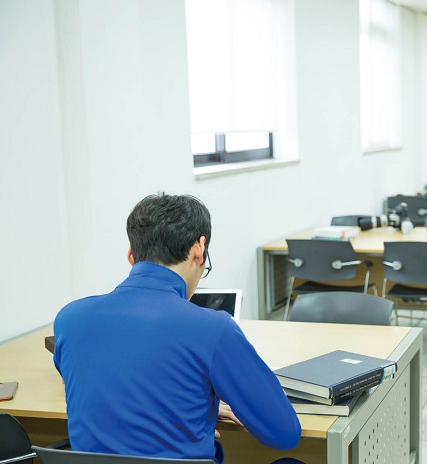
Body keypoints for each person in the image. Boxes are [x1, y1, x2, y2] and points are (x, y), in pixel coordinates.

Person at [53, 193, 301, 463]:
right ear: (199, 249)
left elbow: (101, 385)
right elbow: (284, 434)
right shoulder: (213, 329)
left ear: (131, 255)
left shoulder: (69, 319)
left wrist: (192, 406)